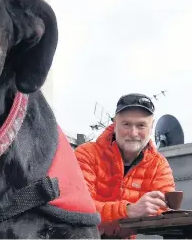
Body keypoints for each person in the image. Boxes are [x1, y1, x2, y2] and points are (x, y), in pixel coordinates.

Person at [75, 93, 175, 228]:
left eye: (141, 125)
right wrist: (128, 210)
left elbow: (164, 209)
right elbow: (79, 206)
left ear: (151, 128)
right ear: (115, 125)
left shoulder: (159, 165)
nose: (133, 133)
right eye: (126, 124)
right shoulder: (86, 154)